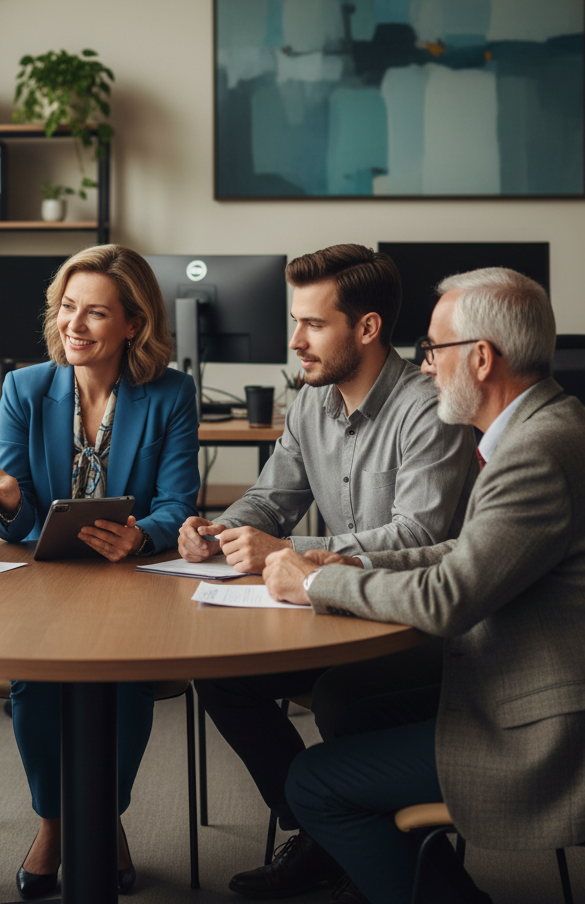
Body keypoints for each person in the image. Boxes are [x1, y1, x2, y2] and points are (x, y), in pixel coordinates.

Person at [261, 267, 585, 904]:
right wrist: (351, 568)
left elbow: (449, 598)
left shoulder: (537, 453)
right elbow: (467, 551)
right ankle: (405, 874)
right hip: (527, 676)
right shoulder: (545, 427)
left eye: (433, 349)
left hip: (552, 728)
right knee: (348, 705)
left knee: (312, 782)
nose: (424, 366)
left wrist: (317, 584)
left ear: (481, 358)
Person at [182, 244, 478, 900]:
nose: (295, 342)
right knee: (223, 676)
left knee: (345, 694)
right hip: (334, 610)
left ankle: (348, 836)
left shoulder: (430, 408)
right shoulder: (311, 402)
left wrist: (288, 551)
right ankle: (325, 835)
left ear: (367, 328)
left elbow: (419, 535)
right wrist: (220, 529)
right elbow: (271, 498)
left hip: (416, 623)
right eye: (296, 322)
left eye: (313, 325)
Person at [0, 244, 200, 899]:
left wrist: (140, 534)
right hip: (44, 579)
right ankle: (57, 821)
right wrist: (9, 497)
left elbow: (178, 503)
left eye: (96, 312)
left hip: (132, 578)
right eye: (67, 307)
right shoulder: (25, 388)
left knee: (126, 681)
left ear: (133, 324)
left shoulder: (171, 393)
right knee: (34, 681)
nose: (75, 324)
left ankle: (101, 815)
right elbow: (17, 523)